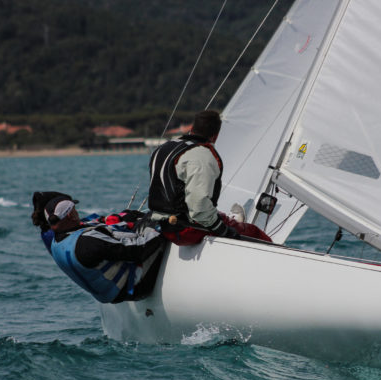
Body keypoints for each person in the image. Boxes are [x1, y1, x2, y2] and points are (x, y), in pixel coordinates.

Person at [148, 109, 271, 245]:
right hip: (185, 230)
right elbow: (199, 207)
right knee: (255, 234)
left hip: (161, 222)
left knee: (217, 216)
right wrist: (224, 230)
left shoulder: (164, 148)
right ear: (215, 136)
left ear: (192, 129)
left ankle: (226, 219)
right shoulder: (202, 156)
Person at [31, 191, 165, 304]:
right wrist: (162, 229)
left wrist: (123, 218)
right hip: (135, 287)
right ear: (70, 215)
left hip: (109, 294)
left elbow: (90, 227)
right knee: (161, 225)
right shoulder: (88, 242)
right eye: (74, 210)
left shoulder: (57, 242)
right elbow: (138, 250)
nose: (77, 212)